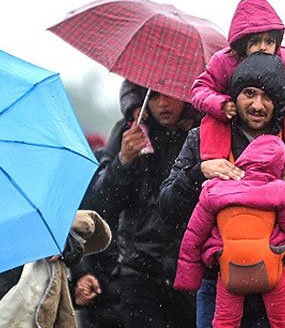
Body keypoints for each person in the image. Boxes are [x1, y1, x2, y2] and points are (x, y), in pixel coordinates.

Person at [159, 53, 285, 328]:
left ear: (280, 100)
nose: (257, 105)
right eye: (249, 94)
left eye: (267, 96)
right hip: (220, 283)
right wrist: (198, 173)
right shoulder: (202, 139)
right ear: (233, 97)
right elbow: (168, 209)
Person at [83, 79, 200, 328]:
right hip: (139, 269)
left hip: (190, 266)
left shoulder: (200, 133)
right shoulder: (130, 131)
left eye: (171, 94)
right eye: (154, 95)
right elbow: (101, 207)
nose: (163, 103)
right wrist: (123, 161)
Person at [175, 134, 285, 328]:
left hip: (230, 268)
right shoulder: (280, 191)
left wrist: (187, 278)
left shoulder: (215, 190)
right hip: (272, 267)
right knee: (284, 321)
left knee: (224, 320)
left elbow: (193, 236)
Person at [191, 0, 285, 194]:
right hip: (232, 117)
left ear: (277, 43)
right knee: (212, 118)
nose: (263, 47)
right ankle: (215, 167)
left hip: (280, 119)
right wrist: (220, 104)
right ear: (242, 44)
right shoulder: (224, 62)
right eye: (255, 41)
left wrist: (283, 102)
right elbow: (199, 90)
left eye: (269, 41)